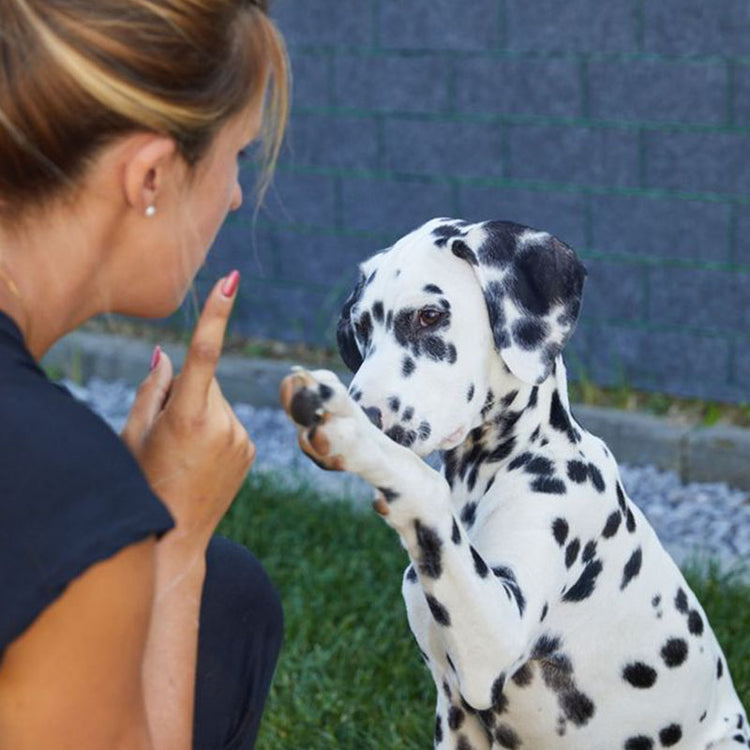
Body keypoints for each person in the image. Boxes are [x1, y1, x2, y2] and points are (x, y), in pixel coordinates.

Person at [0, 1, 289, 747]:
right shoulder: (59, 485)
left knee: (228, 599)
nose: (233, 195)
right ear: (152, 175)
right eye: (239, 156)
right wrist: (173, 539)